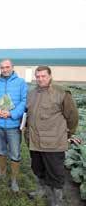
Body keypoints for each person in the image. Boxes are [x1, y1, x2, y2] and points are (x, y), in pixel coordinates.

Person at [25, 66, 79, 205]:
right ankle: (41, 190)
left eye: (43, 76)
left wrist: (68, 133)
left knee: (56, 174)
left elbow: (72, 117)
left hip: (54, 143)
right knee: (38, 169)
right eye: (38, 76)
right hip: (35, 141)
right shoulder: (31, 94)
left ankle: (57, 201)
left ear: (50, 76)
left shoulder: (61, 93)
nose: (40, 79)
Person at [0, 59, 28, 192]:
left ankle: (14, 179)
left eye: (7, 67)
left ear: (12, 67)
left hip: (14, 125)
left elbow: (24, 102)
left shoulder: (21, 83)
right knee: (0, 151)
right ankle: (1, 172)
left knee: (15, 153)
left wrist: (12, 114)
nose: (4, 70)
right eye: (2, 68)